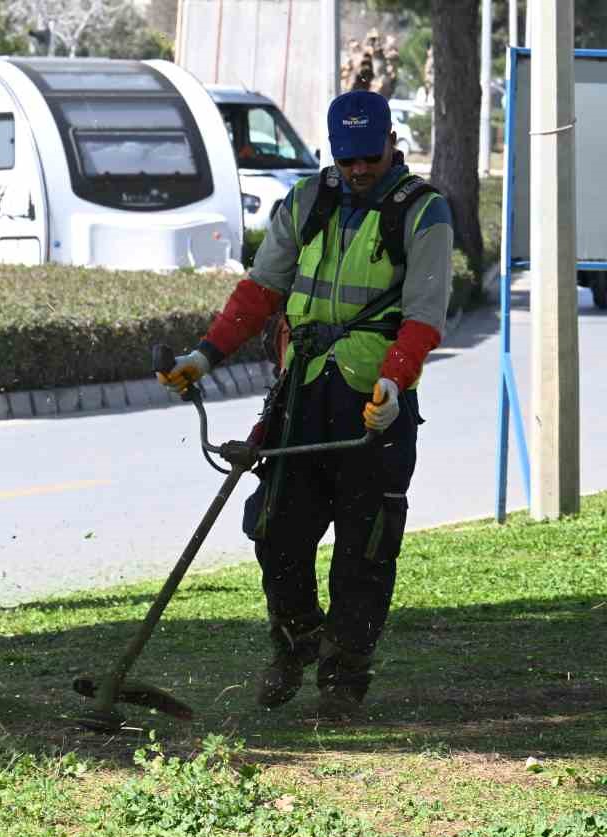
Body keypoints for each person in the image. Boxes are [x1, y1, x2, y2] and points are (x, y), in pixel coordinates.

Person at [157, 90, 452, 717]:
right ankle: (297, 641)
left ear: (390, 143)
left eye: (368, 158)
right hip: (301, 397)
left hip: (375, 410)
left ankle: (344, 677)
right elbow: (261, 292)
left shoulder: (423, 213)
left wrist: (395, 385)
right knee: (276, 531)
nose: (358, 171)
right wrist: (203, 356)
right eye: (347, 160)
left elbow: (424, 318)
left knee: (364, 550)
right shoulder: (306, 202)